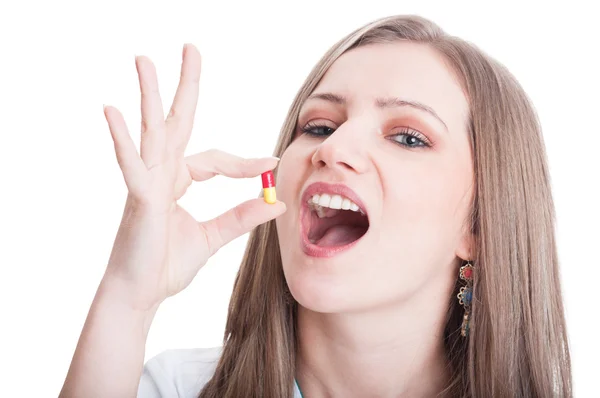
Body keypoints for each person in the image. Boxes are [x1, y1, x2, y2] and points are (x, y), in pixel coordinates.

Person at [59, 14, 572, 398]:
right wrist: (128, 299)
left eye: (408, 138)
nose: (333, 148)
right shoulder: (172, 388)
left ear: (478, 225)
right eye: (319, 126)